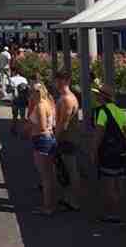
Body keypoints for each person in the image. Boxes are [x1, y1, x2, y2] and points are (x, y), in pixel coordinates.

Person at [92, 84, 126, 224]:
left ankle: (112, 214)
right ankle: (118, 210)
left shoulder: (101, 112)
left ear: (102, 97)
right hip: (121, 152)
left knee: (108, 184)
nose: (95, 96)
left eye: (97, 94)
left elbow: (98, 134)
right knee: (119, 183)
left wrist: (94, 152)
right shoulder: (120, 111)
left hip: (108, 153)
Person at [27, 82, 58, 217]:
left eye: (33, 92)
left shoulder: (40, 106)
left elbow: (42, 127)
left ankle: (47, 207)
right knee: (49, 175)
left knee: (45, 176)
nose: (31, 94)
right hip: (48, 139)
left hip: (42, 140)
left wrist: (29, 129)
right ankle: (50, 204)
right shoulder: (47, 103)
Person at [54, 70, 82, 213]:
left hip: (67, 139)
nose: (57, 83)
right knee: (65, 170)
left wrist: (55, 140)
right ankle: (67, 198)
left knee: (71, 171)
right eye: (56, 80)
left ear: (66, 81)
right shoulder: (67, 98)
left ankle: (74, 201)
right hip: (68, 139)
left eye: (59, 80)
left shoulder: (67, 100)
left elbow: (62, 124)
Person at [8, 67, 30, 136]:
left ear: (14, 72)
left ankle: (14, 129)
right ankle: (24, 131)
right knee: (23, 116)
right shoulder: (24, 79)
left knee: (15, 115)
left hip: (15, 100)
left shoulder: (11, 79)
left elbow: (8, 90)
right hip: (23, 100)